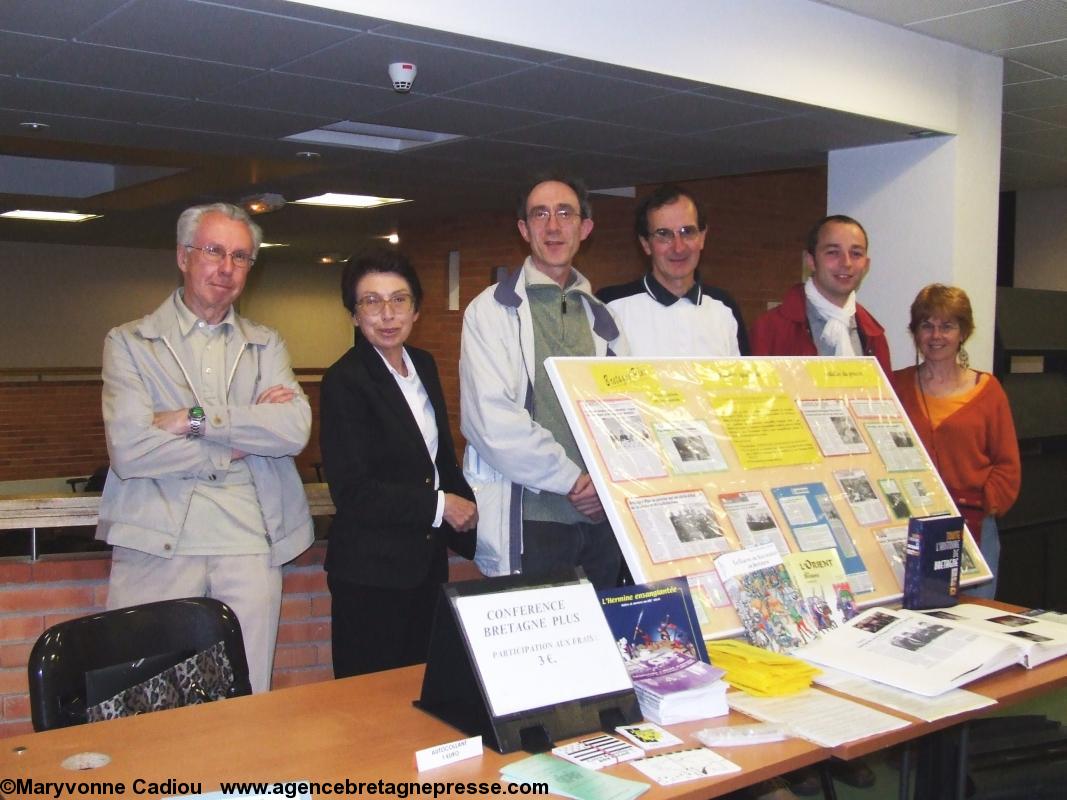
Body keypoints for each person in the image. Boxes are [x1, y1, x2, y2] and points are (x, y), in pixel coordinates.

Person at [97, 202, 314, 693]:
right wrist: (236, 440)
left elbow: (294, 429)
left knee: (245, 696)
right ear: (182, 256)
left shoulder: (265, 343)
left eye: (241, 257)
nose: (226, 268)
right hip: (156, 542)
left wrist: (190, 419)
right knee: (146, 698)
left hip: (250, 545)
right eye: (214, 251)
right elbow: (130, 451)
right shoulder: (131, 342)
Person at [460, 176, 628, 589]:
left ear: (585, 229)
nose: (553, 226)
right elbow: (491, 421)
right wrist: (572, 481)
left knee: (607, 646)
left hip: (602, 521)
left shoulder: (604, 319)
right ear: (524, 230)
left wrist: (606, 488)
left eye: (565, 213)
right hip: (534, 521)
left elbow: (625, 415)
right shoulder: (490, 312)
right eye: (540, 214)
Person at [320, 250, 477, 678]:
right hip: (370, 574)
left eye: (399, 299)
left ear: (416, 308)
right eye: (371, 301)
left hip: (424, 567)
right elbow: (353, 491)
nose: (387, 314)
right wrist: (442, 506)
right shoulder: (345, 380)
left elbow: (439, 458)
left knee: (423, 689)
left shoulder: (422, 364)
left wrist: (475, 510)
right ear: (354, 314)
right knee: (369, 705)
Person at [891, 284, 1021, 599]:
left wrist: (981, 506)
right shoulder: (895, 385)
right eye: (927, 325)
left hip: (972, 527)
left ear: (963, 332)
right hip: (912, 525)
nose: (936, 335)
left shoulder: (988, 391)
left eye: (947, 326)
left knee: (975, 619)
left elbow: (1007, 464)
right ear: (916, 332)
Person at [597, 184, 749, 356]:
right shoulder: (611, 306)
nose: (678, 247)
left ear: (702, 238)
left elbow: (745, 381)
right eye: (664, 234)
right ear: (646, 244)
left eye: (687, 231)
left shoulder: (724, 307)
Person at [750, 214, 890, 376]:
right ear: (810, 261)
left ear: (866, 265)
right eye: (833, 252)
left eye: (856, 254)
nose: (846, 263)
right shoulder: (771, 328)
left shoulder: (874, 336)